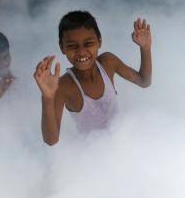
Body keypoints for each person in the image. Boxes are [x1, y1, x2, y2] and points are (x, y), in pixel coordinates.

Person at [34, 10, 152, 145]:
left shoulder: (108, 62)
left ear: (99, 41)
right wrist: (47, 98)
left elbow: (144, 81)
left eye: (88, 43)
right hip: (93, 154)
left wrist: (145, 48)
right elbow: (51, 140)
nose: (81, 52)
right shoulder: (63, 86)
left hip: (122, 141)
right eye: (72, 46)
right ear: (62, 48)